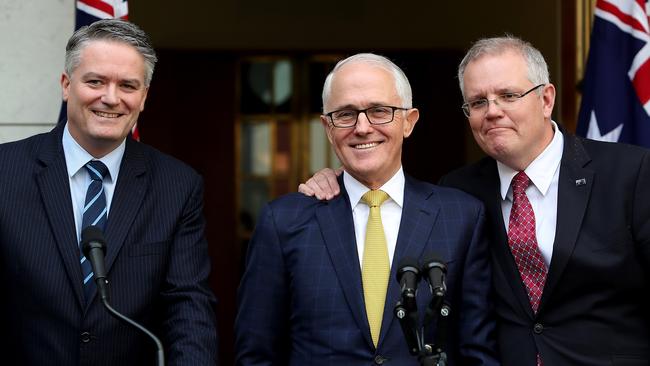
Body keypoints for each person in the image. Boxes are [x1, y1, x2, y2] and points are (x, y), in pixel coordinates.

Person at [300, 36, 650, 366]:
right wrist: (339, 181)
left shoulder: (631, 173)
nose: (492, 111)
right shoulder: (459, 193)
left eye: (508, 95)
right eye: (478, 102)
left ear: (546, 99)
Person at [235, 53, 499, 366]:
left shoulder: (461, 216)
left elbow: (478, 353)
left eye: (379, 111)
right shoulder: (284, 221)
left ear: (409, 122)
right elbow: (256, 355)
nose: (362, 127)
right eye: (345, 114)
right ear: (327, 127)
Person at [0, 19, 218, 365]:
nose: (111, 98)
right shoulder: (5, 171)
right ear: (66, 85)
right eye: (95, 81)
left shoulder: (177, 186)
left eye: (128, 85)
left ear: (143, 97)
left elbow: (188, 307)